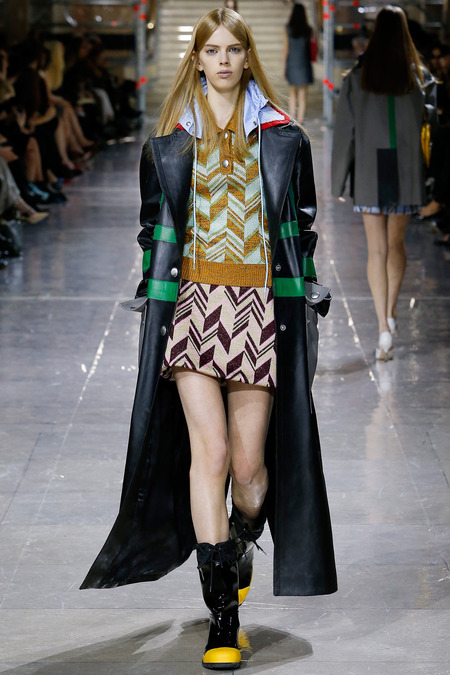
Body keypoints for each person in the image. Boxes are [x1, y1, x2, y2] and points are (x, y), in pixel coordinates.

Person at [80, 7, 337, 671]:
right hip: (193, 308)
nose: (223, 60)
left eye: (233, 49)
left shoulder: (284, 138)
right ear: (196, 59)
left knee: (249, 472)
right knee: (212, 455)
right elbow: (152, 230)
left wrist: (303, 293)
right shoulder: (168, 144)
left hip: (258, 310)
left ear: (248, 57)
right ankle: (224, 618)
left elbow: (302, 226)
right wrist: (155, 297)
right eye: (212, 50)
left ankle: (240, 541)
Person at [331, 5, 436, 360]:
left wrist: (337, 182)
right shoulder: (418, 78)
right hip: (406, 170)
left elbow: (345, 133)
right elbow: (431, 126)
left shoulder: (357, 78)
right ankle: (390, 312)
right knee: (396, 245)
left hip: (370, 171)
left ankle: (382, 329)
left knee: (376, 250)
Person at [283, 1, 314, 123]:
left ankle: (292, 118)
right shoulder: (308, 29)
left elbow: (286, 49)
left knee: (292, 92)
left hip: (292, 63)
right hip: (304, 63)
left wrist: (284, 67)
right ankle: (301, 120)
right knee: (303, 94)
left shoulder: (287, 28)